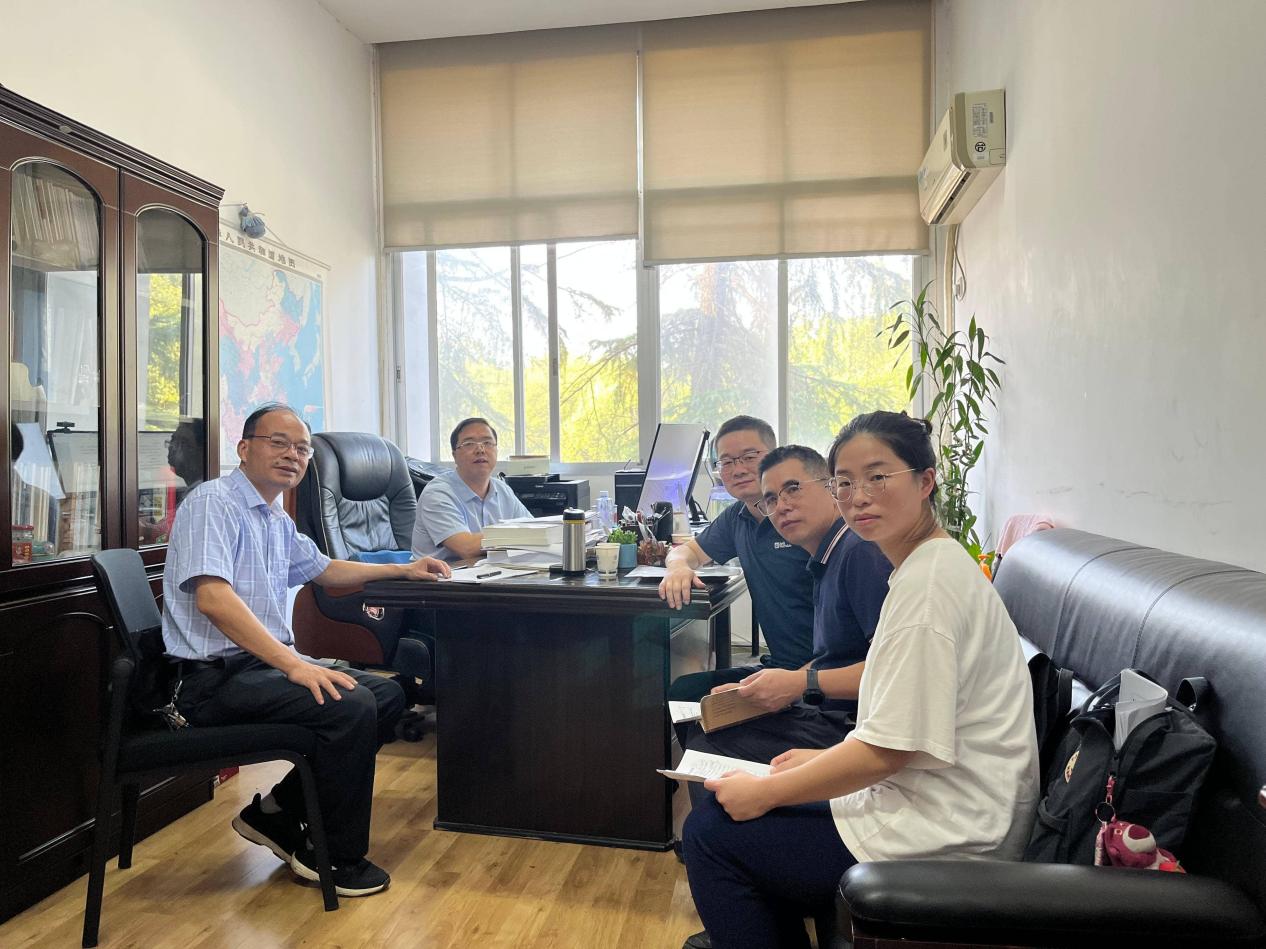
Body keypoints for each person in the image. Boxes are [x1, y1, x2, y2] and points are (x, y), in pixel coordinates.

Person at [682, 411, 1039, 949]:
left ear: (925, 481)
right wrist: (815, 762)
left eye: (878, 476)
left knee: (711, 834)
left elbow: (888, 751)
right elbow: (899, 722)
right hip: (932, 795)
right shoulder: (922, 567)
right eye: (845, 482)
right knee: (732, 804)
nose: (859, 496)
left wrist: (766, 793)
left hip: (948, 830)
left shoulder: (927, 589)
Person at [164, 402, 452, 897]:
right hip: (208, 681)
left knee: (388, 696)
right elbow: (213, 598)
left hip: (254, 668)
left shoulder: (273, 516)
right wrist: (294, 665)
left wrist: (404, 568)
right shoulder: (214, 504)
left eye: (301, 449)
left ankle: (276, 812)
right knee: (350, 704)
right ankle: (333, 858)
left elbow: (325, 570)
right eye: (278, 443)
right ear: (244, 448)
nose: (292, 456)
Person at [683, 444, 891, 774]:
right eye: (771, 499)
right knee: (707, 716)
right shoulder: (824, 559)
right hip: (828, 706)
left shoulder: (859, 554)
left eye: (793, 489)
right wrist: (763, 690)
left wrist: (799, 684)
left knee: (708, 743)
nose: (782, 506)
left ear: (832, 488)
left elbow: (894, 672)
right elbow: (834, 658)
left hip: (855, 726)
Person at [660, 417, 817, 745]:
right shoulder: (738, 517)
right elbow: (686, 551)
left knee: (715, 728)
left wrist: (800, 681)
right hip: (779, 666)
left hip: (819, 675)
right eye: (727, 462)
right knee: (687, 692)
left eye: (749, 456)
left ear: (774, 456)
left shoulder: (803, 519)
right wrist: (677, 568)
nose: (738, 469)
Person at [410, 417, 532, 561]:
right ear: (454, 455)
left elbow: (535, 532)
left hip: (491, 570)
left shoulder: (502, 490)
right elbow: (466, 548)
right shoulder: (437, 494)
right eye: (469, 444)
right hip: (443, 574)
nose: (480, 450)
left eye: (487, 443)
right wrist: (521, 535)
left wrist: (533, 535)